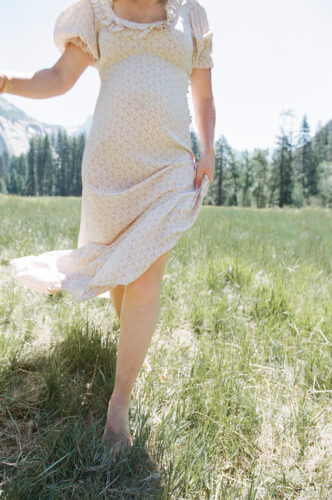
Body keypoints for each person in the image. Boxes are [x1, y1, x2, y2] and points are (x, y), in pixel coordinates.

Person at [2, 0, 215, 461]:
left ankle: (119, 407)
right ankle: (131, 353)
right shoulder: (98, 13)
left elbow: (203, 95)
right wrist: (4, 81)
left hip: (169, 167)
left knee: (142, 278)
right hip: (109, 173)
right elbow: (58, 79)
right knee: (121, 276)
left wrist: (209, 149)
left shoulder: (190, 16)